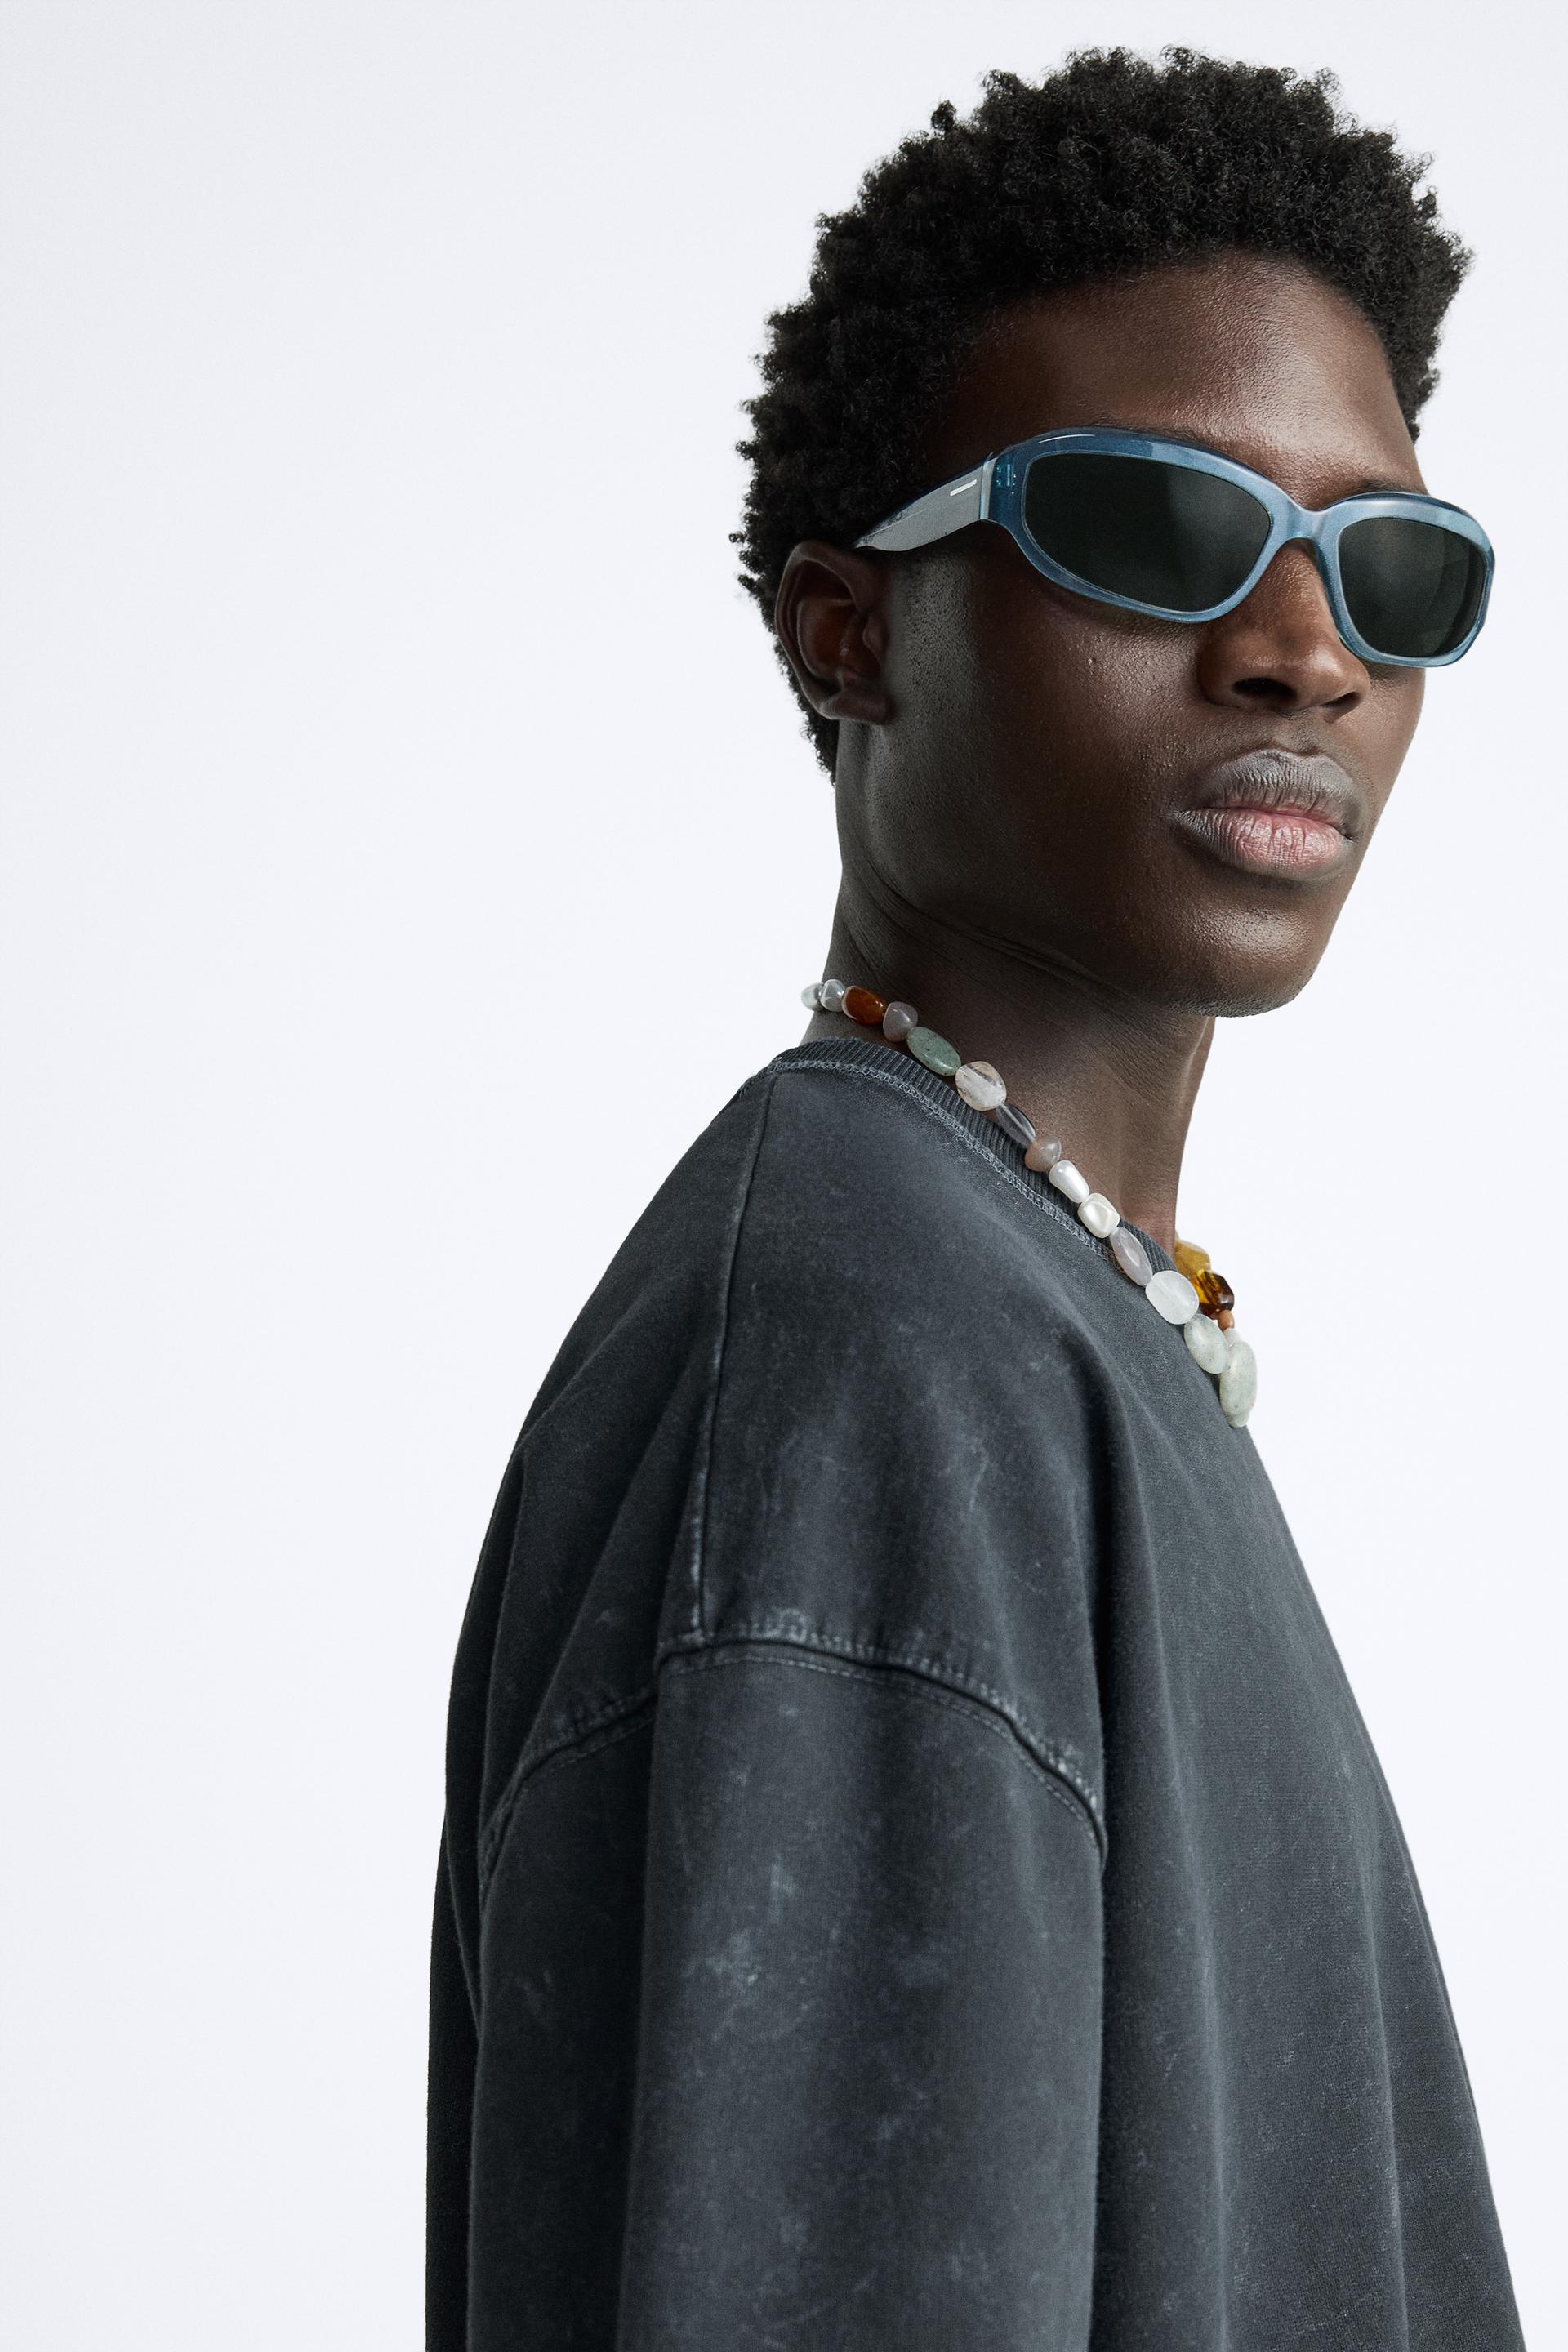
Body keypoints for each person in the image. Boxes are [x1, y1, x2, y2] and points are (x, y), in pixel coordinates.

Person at [427, 48, 1525, 2350]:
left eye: (1392, 570)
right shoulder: (885, 1353)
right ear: (852, 631)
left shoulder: (1038, 1317)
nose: (1306, 652)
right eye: (1155, 528)